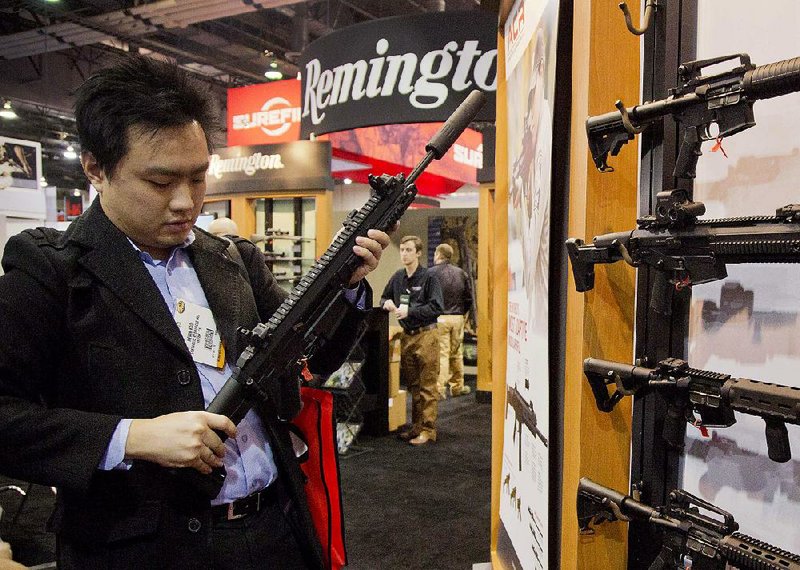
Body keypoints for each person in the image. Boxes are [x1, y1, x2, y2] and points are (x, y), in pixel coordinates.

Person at [0, 54, 390, 570]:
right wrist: (131, 437)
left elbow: (312, 359)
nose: (186, 202)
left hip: (274, 528)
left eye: (199, 177)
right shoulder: (51, 271)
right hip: (145, 550)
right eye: (160, 183)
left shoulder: (231, 259)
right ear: (96, 168)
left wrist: (345, 289)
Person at [380, 235, 444, 446]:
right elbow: (384, 297)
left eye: (409, 250)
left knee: (427, 386)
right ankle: (416, 426)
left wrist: (411, 311)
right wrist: (387, 302)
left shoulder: (429, 278)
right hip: (407, 336)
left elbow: (436, 307)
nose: (405, 253)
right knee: (414, 386)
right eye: (402, 249)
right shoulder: (398, 277)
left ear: (418, 253)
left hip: (427, 335)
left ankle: (428, 429)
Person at [428, 243, 473, 398]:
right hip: (458, 318)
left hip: (440, 318)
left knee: (443, 354)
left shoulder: (431, 274)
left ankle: (440, 389)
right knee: (457, 353)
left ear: (438, 255)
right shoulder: (461, 273)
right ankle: (457, 386)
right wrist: (463, 314)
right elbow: (468, 298)